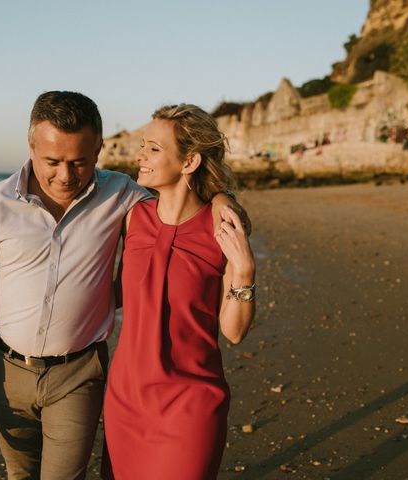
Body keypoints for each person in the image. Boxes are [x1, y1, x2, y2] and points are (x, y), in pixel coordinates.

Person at [0, 91, 249, 480]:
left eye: (80, 162)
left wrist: (222, 197)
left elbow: (182, 203)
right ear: (30, 147)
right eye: (52, 161)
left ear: (98, 150)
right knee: (21, 476)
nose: (65, 176)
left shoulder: (120, 196)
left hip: (79, 371)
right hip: (7, 371)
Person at [103, 104, 256, 479]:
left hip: (191, 404)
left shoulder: (221, 228)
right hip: (125, 400)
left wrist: (245, 270)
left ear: (189, 162)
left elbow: (234, 332)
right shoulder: (132, 218)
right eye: (143, 145)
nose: (140, 155)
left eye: (153, 148)